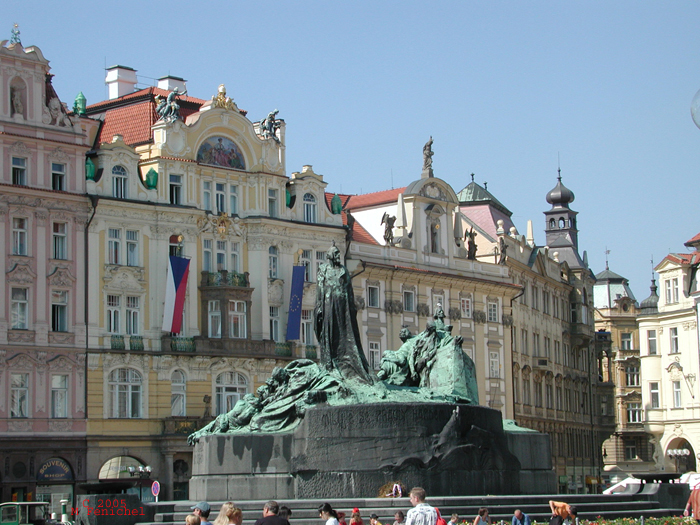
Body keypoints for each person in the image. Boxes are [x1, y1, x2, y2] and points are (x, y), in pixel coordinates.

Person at [314, 242, 374, 384]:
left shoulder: (343, 270)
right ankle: (330, 362)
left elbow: (350, 291)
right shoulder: (323, 269)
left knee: (344, 332)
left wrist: (351, 308)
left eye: (338, 254)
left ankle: (345, 361)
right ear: (329, 256)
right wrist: (319, 305)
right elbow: (320, 288)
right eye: (335, 254)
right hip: (328, 303)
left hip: (342, 305)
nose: (337, 256)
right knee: (329, 331)